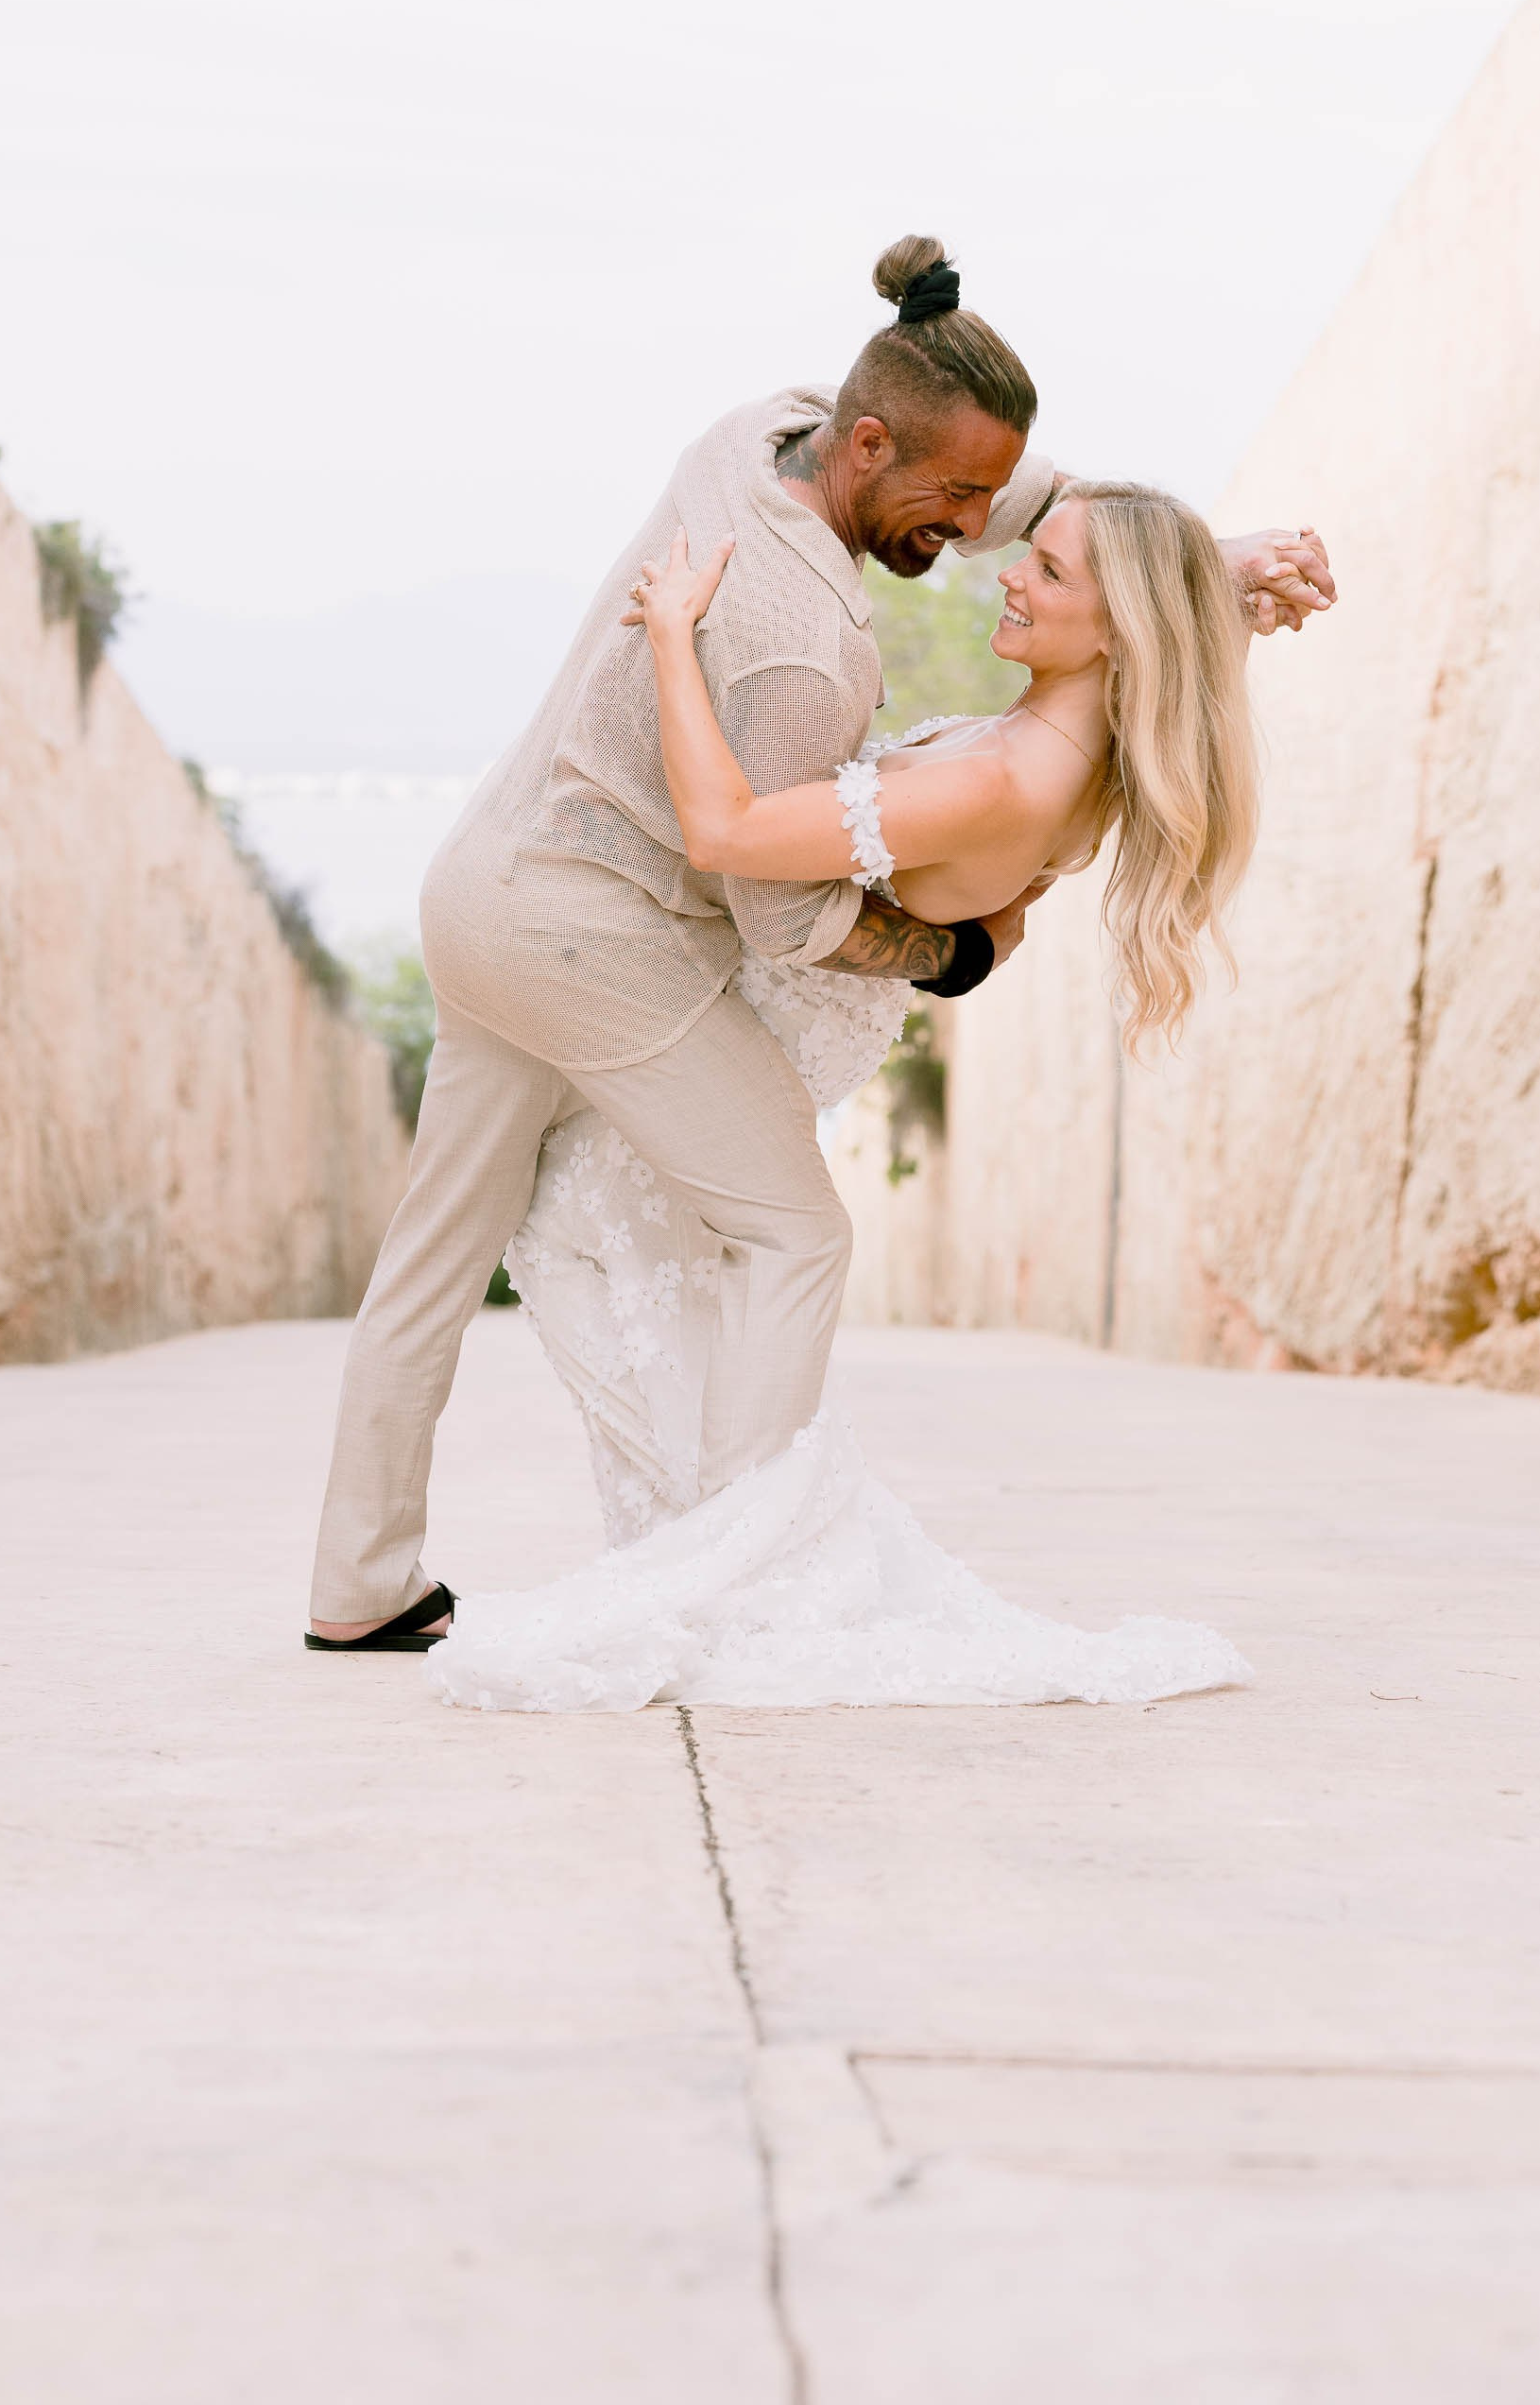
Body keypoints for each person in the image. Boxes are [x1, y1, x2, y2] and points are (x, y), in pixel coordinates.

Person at [305, 234, 1332, 1661]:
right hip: (590, 937)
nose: (970, 535)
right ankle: (739, 1575)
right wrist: (951, 957)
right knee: (793, 1231)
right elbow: (778, 913)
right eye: (951, 501)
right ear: (868, 445)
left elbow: (1033, 495)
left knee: (430, 1259)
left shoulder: (761, 426)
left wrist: (1201, 564)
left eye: (994, 511)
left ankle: (359, 1578)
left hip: (478, 891)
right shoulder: (807, 641)